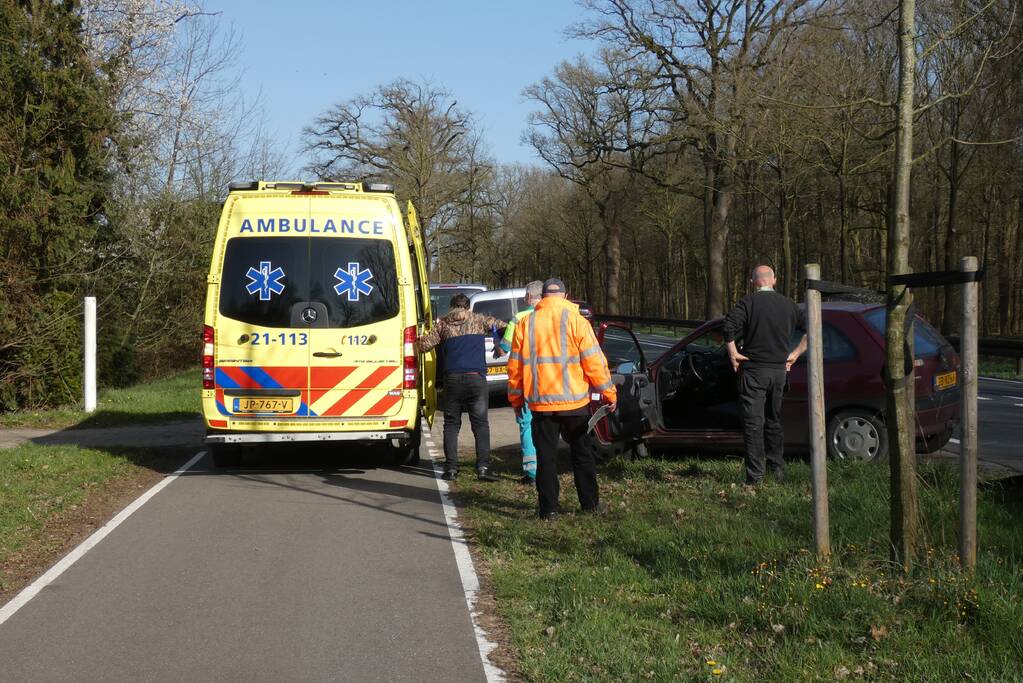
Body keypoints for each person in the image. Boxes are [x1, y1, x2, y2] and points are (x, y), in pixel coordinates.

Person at [506, 278, 617, 520]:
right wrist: (609, 392)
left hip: (541, 405)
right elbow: (595, 363)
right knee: (582, 454)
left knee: (546, 458)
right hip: (575, 403)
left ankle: (549, 510)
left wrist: (516, 400)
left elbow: (514, 367)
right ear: (566, 296)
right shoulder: (577, 321)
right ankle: (590, 505)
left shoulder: (526, 324)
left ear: (543, 296)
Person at [722, 265, 808, 485]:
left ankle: (755, 478)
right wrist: (795, 354)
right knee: (773, 421)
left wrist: (733, 353)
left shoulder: (748, 303)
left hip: (754, 372)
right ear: (774, 280)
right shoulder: (789, 304)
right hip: (779, 372)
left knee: (753, 424)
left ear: (753, 282)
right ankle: (777, 470)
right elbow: (813, 329)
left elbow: (728, 326)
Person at [416, 293, 507, 481]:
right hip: (476, 379)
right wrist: (500, 342)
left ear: (452, 306)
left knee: (451, 424)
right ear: (467, 306)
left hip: (452, 380)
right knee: (480, 425)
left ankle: (451, 469)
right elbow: (506, 327)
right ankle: (483, 468)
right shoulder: (479, 320)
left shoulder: (443, 324)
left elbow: (424, 346)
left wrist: (415, 339)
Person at [494, 280, 544, 484]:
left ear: (528, 297)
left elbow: (504, 349)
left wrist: (496, 339)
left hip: (525, 380)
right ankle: (548, 466)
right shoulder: (553, 316)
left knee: (527, 424)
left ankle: (532, 472)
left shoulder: (519, 318)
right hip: (550, 381)